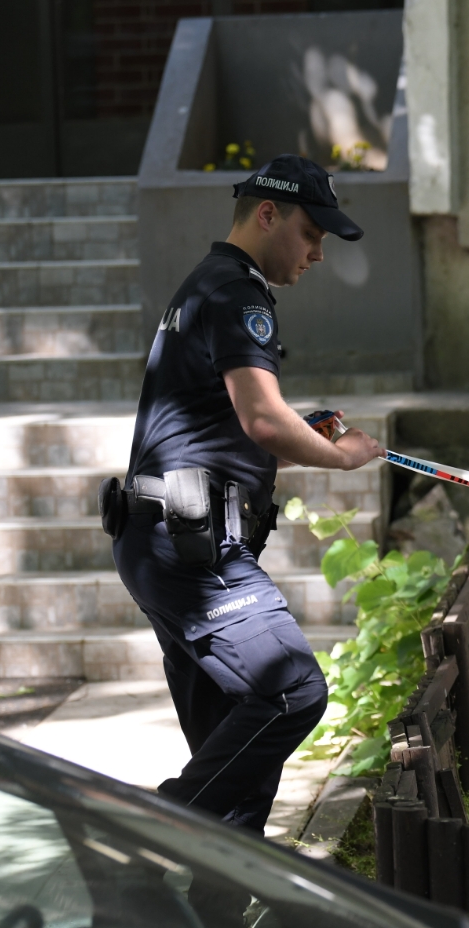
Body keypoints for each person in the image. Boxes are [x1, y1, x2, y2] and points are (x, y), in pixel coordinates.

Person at [104, 154, 383, 846]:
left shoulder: (211, 286)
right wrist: (341, 455)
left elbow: (230, 417)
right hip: (190, 549)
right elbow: (261, 419)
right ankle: (152, 835)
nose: (317, 253)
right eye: (311, 233)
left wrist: (301, 425)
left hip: (165, 538)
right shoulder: (236, 291)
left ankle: (213, 915)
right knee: (292, 690)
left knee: (239, 776)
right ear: (268, 214)